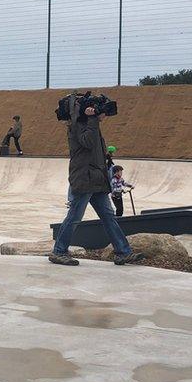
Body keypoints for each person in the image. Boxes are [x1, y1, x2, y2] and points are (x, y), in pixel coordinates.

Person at [49, 103, 144, 266]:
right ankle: (59, 251)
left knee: (108, 216)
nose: (104, 116)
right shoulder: (78, 125)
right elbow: (88, 143)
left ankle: (122, 252)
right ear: (89, 113)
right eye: (101, 113)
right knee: (74, 217)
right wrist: (92, 119)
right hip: (84, 178)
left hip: (97, 180)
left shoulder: (91, 125)